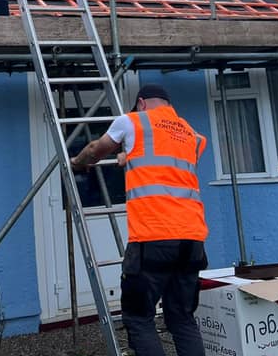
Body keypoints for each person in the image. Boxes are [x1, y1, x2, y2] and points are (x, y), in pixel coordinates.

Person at [70, 84, 208, 356]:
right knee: (182, 319)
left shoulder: (132, 121)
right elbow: (164, 165)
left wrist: (77, 162)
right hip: (192, 239)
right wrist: (128, 155)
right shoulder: (192, 136)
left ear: (141, 103)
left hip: (152, 237)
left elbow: (97, 148)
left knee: (139, 318)